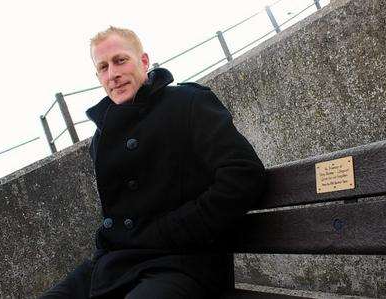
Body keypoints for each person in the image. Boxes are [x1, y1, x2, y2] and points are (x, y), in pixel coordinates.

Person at [40, 26, 265, 299]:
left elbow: (244, 174)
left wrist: (172, 229)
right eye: (103, 67)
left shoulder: (187, 102)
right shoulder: (102, 137)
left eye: (120, 60)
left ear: (144, 61)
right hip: (116, 262)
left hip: (184, 263)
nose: (113, 74)